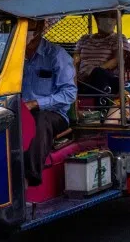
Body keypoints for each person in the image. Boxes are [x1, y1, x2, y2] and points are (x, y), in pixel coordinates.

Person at [22, 19, 77, 187]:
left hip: (53, 114)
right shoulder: (12, 56)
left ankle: (30, 177)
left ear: (39, 28)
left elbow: (69, 93)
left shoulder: (56, 54)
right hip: (18, 109)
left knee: (39, 121)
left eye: (28, 25)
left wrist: (35, 104)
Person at [73, 11, 130, 103]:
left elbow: (117, 59)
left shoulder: (119, 38)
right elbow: (76, 59)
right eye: (104, 16)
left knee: (99, 73)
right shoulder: (84, 39)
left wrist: (93, 71)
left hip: (107, 77)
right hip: (83, 79)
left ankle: (103, 107)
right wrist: (74, 76)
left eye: (112, 17)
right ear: (96, 18)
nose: (108, 20)